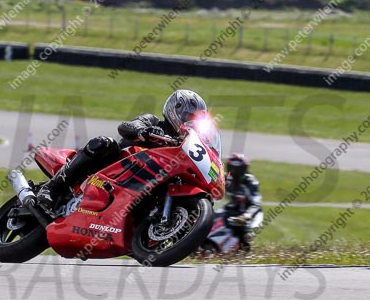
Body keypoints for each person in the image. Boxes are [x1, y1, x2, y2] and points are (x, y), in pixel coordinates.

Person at [37, 89, 207, 213]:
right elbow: (127, 127)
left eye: (194, 121)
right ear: (174, 109)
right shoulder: (152, 121)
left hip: (141, 186)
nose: (189, 123)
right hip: (115, 169)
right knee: (104, 143)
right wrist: (144, 131)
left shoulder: (183, 145)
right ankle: (52, 188)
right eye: (188, 117)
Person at [221, 153, 262, 251]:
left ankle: (245, 251)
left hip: (250, 214)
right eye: (232, 168)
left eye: (238, 169)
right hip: (232, 209)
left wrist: (246, 216)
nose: (234, 172)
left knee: (242, 231)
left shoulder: (250, 182)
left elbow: (256, 204)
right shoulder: (225, 178)